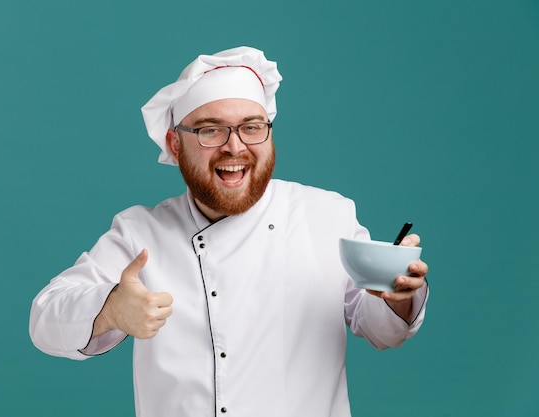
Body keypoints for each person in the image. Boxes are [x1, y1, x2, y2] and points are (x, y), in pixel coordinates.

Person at [29, 46, 429, 417]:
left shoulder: (326, 215)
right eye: (210, 129)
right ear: (175, 143)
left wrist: (397, 297)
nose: (234, 147)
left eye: (252, 127)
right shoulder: (140, 232)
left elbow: (382, 330)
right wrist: (111, 307)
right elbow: (45, 319)